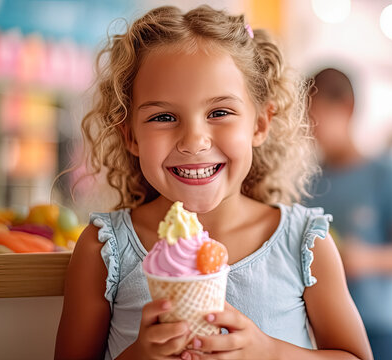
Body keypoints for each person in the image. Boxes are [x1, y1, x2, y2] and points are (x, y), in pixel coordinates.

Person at [55, 6, 372, 360]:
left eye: (219, 113)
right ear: (130, 136)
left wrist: (269, 352)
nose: (194, 140)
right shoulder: (104, 250)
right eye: (163, 117)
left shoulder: (305, 244)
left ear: (260, 124)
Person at [306, 68, 392, 360]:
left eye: (316, 116)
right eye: (305, 118)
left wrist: (366, 259)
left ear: (347, 108)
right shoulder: (309, 182)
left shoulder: (384, 174)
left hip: (378, 325)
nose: (310, 127)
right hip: (321, 327)